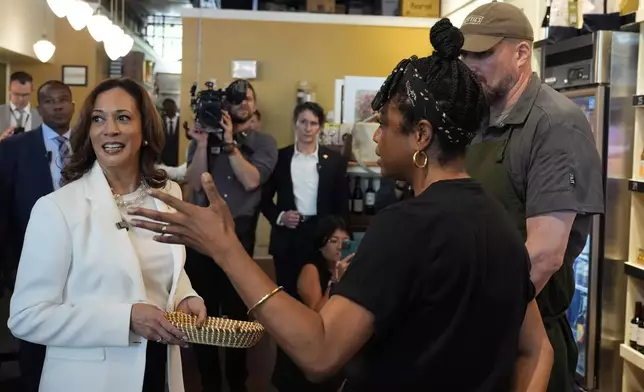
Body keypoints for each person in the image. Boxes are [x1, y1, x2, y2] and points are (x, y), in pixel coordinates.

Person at [130, 19, 553, 391]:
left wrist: (225, 248)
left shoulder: (406, 226)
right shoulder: (501, 220)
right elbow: (536, 351)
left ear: (421, 135)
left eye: (384, 124)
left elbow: (318, 353)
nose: (376, 137)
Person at [7, 77, 206, 392]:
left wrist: (186, 296)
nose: (109, 129)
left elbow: (167, 267)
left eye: (123, 118)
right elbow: (27, 317)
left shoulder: (167, 193)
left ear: (144, 131)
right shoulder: (57, 208)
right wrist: (125, 320)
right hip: (90, 380)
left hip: (160, 372)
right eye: (99, 119)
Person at [459, 3, 604, 391]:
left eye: (484, 53)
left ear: (522, 53)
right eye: (465, 53)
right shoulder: (478, 118)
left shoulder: (556, 125)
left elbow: (543, 256)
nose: (470, 64)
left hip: (524, 336)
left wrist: (470, 320)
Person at [184, 79, 278, 392]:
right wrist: (200, 144)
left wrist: (229, 143)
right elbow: (195, 184)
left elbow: (252, 180)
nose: (242, 104)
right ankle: (209, 382)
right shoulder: (201, 139)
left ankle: (238, 383)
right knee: (204, 312)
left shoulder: (264, 142)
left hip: (239, 234)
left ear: (254, 105)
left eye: (247, 98)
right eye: (235, 99)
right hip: (202, 236)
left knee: (237, 313)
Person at [0, 80, 74, 392]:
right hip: (30, 262)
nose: (57, 106)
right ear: (38, 107)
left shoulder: (91, 143)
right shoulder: (15, 148)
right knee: (35, 341)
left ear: (72, 104)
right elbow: (3, 209)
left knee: (74, 335)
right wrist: (9, 267)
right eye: (48, 101)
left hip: (84, 261)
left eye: (63, 100)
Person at [261, 102, 349, 297]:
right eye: (303, 122)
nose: (308, 128)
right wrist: (281, 217)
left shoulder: (334, 161)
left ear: (320, 127)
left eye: (313, 123)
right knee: (286, 293)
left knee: (322, 291)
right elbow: (263, 198)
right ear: (295, 124)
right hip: (288, 237)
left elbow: (341, 202)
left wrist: (340, 238)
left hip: (322, 236)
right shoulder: (280, 158)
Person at [272, 215, 352, 392]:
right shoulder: (311, 269)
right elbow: (319, 315)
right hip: (307, 347)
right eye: (333, 241)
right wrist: (335, 281)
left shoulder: (353, 270)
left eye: (345, 241)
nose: (340, 247)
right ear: (321, 244)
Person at [0, 72, 43, 142]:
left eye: (25, 95)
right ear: (9, 89)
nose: (21, 99)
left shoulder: (42, 116)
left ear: (32, 91)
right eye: (16, 94)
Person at [160, 98, 181, 166]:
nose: (169, 109)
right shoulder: (160, 122)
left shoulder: (182, 122)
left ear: (175, 107)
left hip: (179, 159)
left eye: (170, 106)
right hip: (163, 161)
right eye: (166, 107)